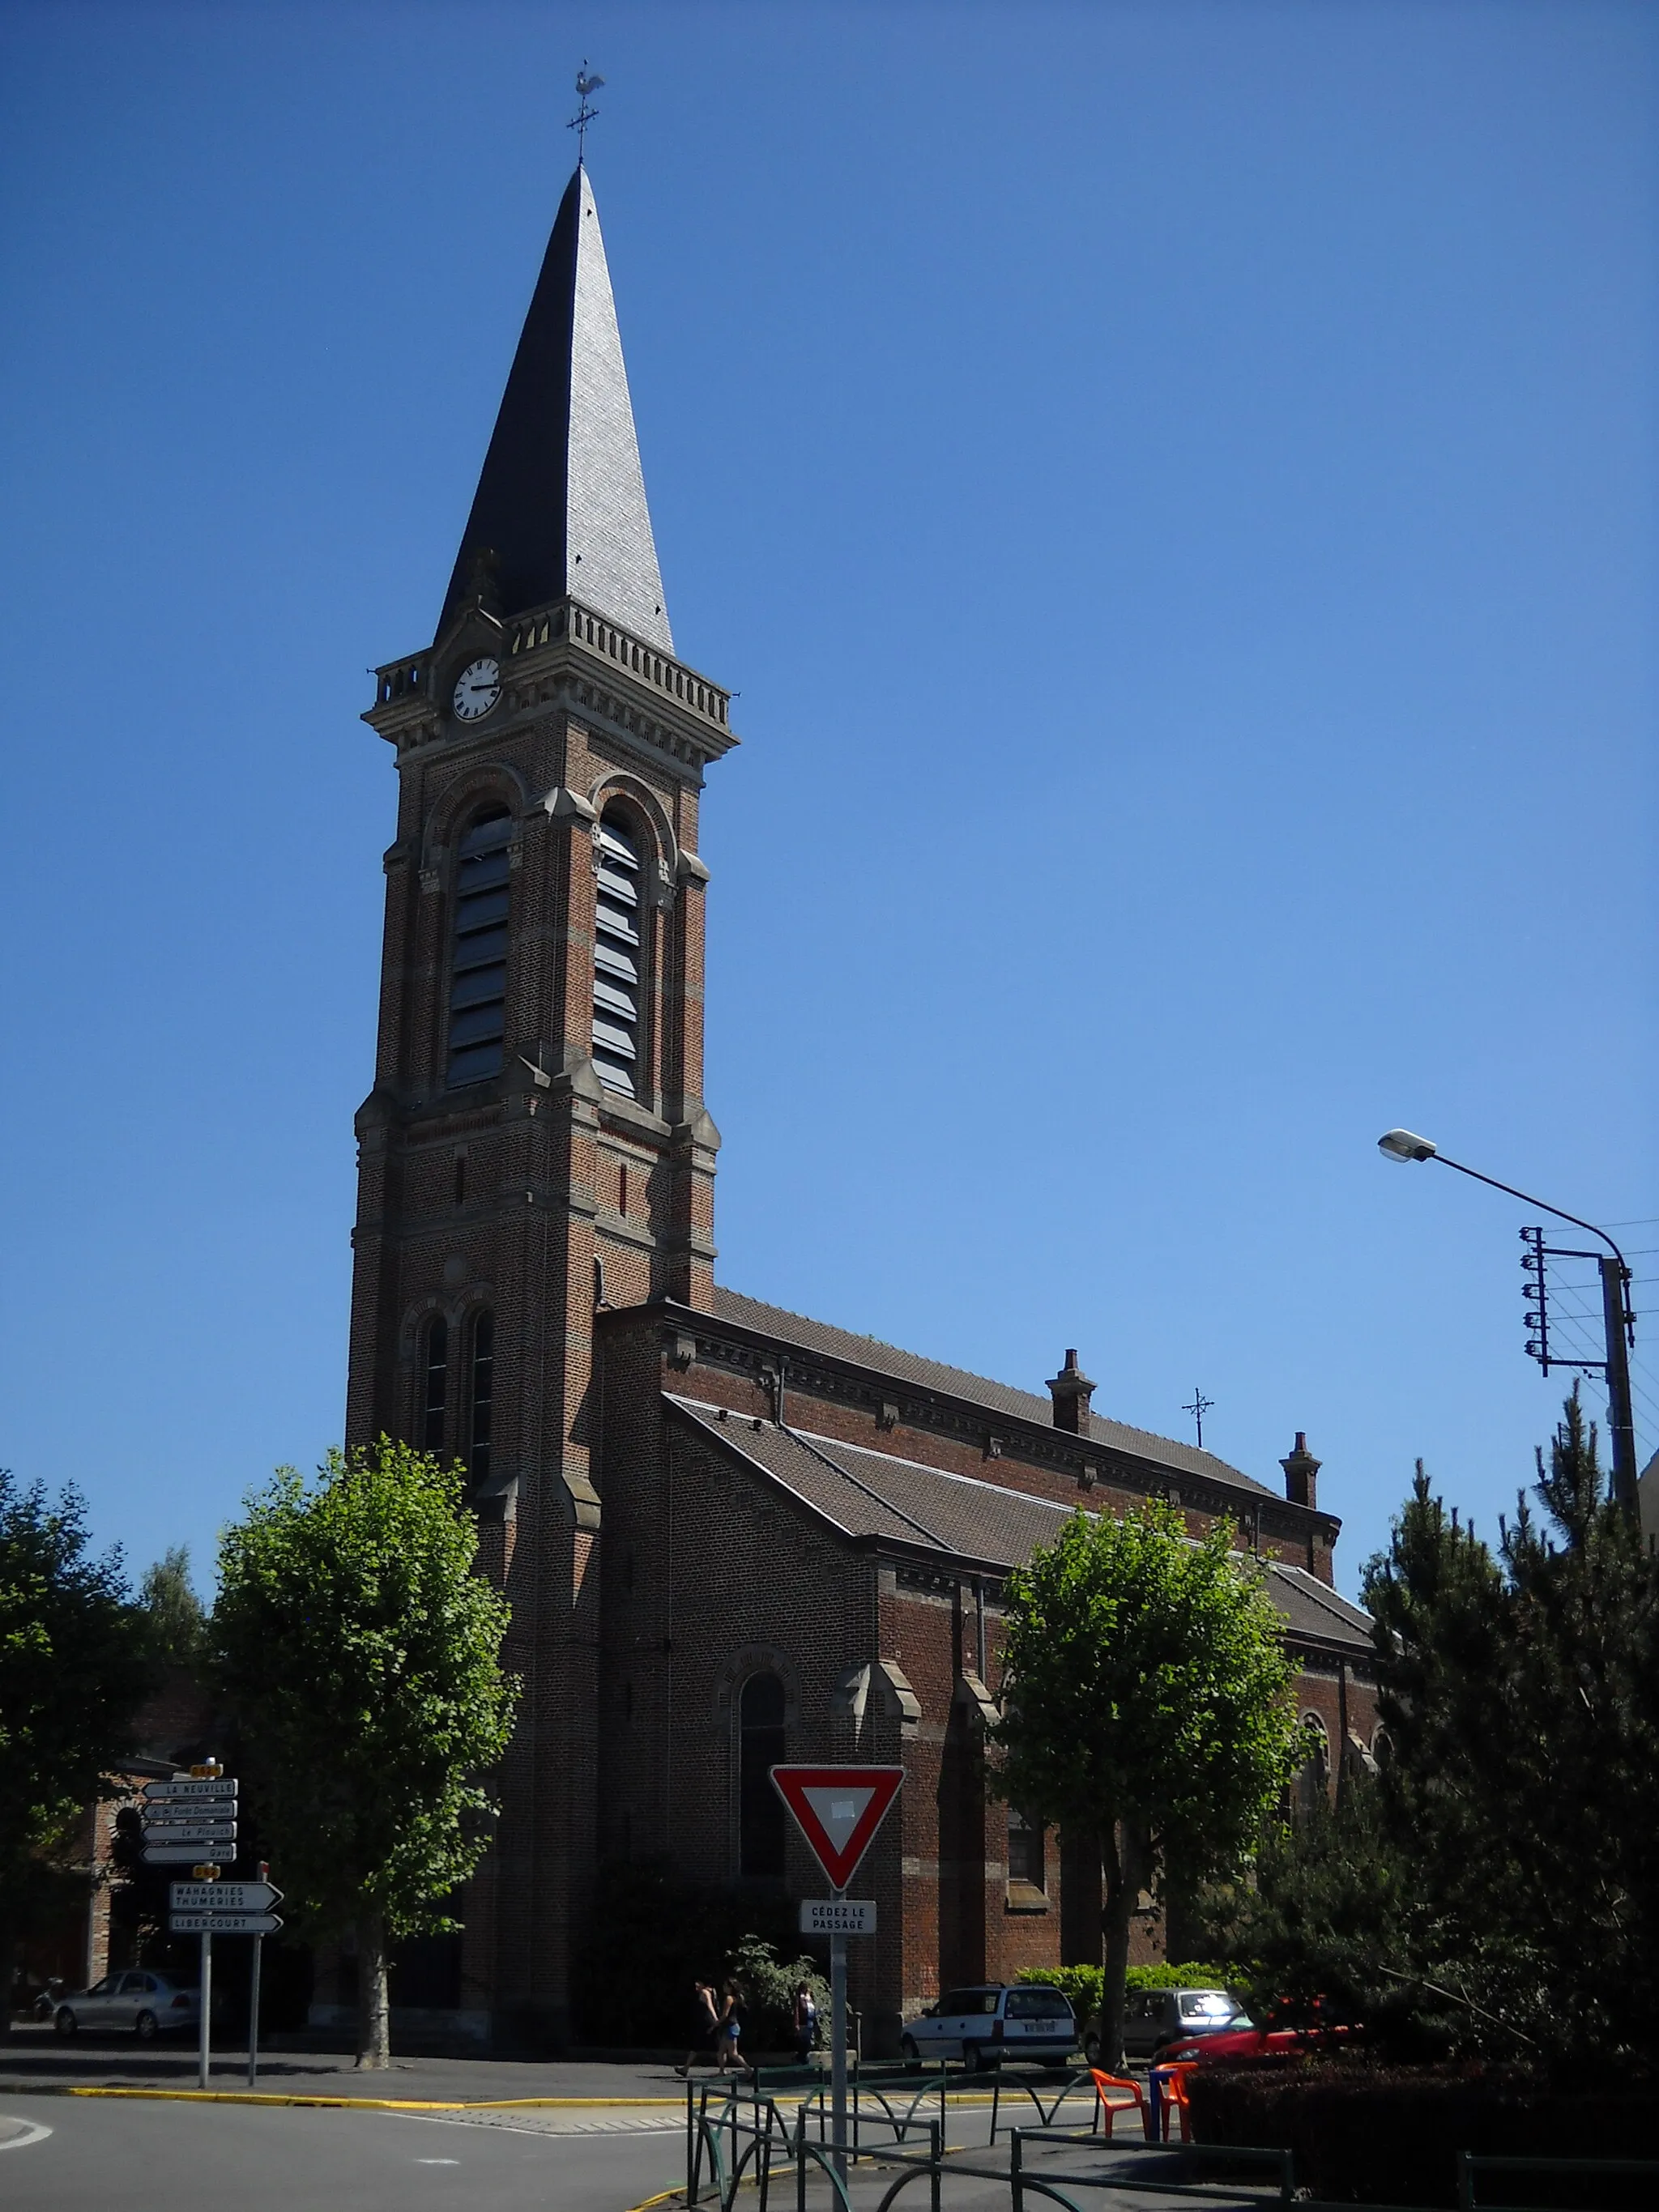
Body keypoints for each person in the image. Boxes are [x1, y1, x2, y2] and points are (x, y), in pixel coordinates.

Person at [677, 1980, 719, 2077]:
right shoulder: (712, 1991)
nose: (696, 1985)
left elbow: (710, 2006)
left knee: (700, 2045)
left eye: (698, 1983)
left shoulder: (705, 1992)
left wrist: (715, 2018)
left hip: (706, 2021)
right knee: (716, 2045)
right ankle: (685, 2068)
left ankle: (686, 2068)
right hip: (706, 2021)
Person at [717, 1979, 745, 2073]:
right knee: (721, 2051)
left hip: (730, 2026)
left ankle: (749, 2070)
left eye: (725, 1986)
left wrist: (716, 2023)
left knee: (733, 2053)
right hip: (729, 2026)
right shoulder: (734, 1998)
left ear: (730, 1987)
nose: (723, 1987)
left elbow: (725, 2015)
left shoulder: (729, 1998)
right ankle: (721, 2071)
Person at [792, 1979, 818, 2065]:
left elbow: (813, 2009)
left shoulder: (809, 1998)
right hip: (803, 2024)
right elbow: (797, 2011)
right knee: (805, 2043)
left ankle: (802, 2060)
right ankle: (802, 2060)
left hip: (810, 2023)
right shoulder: (799, 1998)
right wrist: (796, 2023)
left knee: (808, 2043)